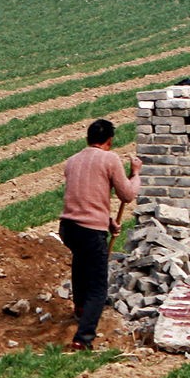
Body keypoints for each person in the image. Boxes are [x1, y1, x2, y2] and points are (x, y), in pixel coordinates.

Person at [59, 119, 141, 350]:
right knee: (98, 286)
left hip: (68, 227)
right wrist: (136, 174)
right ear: (109, 141)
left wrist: (107, 222)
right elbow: (127, 195)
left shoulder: (72, 161)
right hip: (89, 230)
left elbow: (83, 195)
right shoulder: (110, 159)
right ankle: (83, 338)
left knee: (81, 263)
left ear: (87, 139)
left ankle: (80, 308)